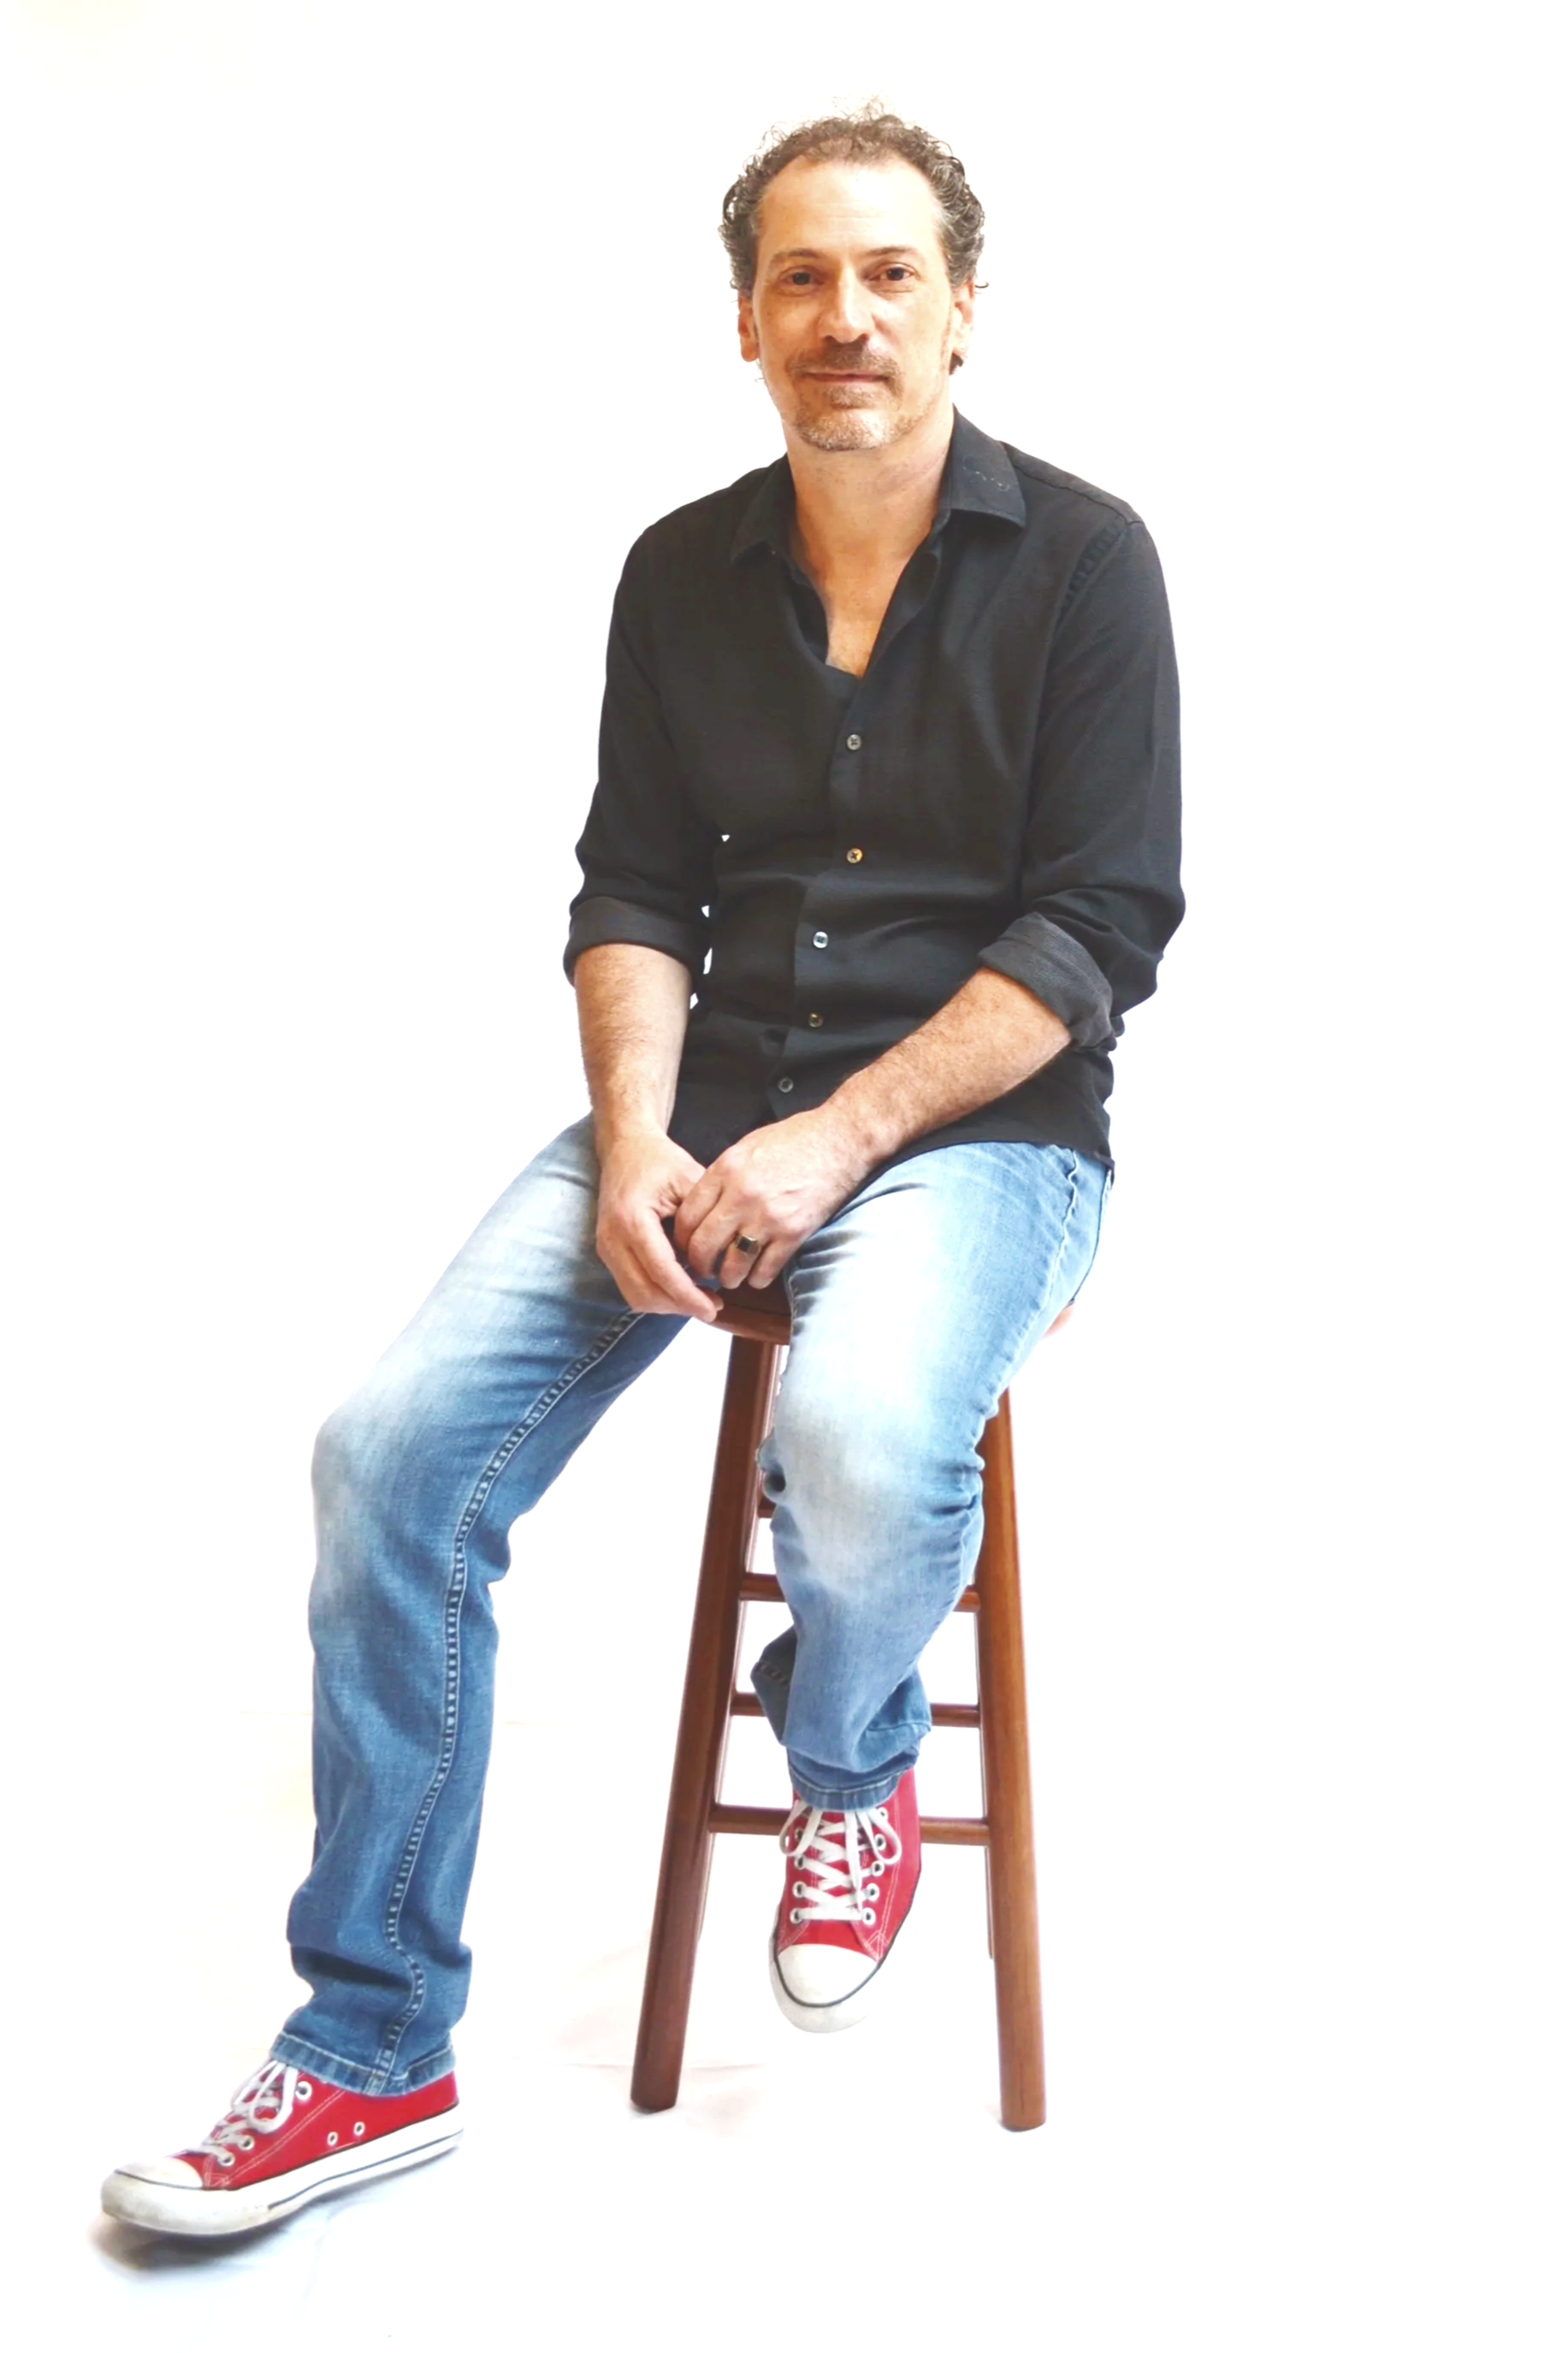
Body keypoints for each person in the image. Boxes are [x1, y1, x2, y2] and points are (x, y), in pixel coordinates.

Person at [102, 103, 1182, 2237]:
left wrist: (835, 1136)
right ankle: (370, 2050)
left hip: (979, 1136)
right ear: (745, 321)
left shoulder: (1085, 560)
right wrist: (627, 1146)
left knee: (854, 1435)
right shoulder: (679, 571)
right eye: (801, 276)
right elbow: (631, 888)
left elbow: (1099, 928)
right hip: (700, 1102)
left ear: (964, 307)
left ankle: (848, 1758)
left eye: (889, 273)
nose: (846, 315)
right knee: (388, 1455)